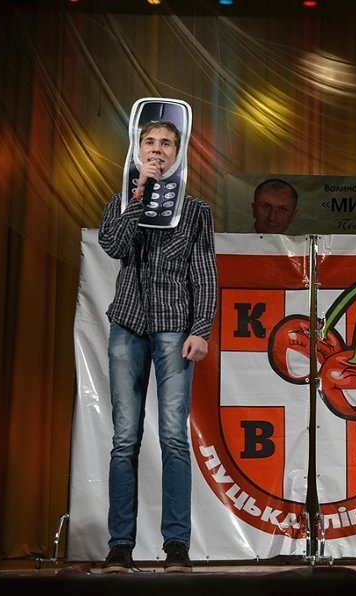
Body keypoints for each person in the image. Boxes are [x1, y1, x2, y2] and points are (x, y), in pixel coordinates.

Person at [98, 120, 218, 573]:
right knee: (124, 439)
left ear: (178, 152)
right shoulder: (120, 201)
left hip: (174, 327)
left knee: (173, 437)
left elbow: (204, 274)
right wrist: (138, 193)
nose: (158, 150)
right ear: (138, 148)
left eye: (166, 143)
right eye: (150, 142)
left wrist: (201, 329)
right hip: (128, 324)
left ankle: (177, 546)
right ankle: (120, 545)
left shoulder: (196, 210)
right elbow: (113, 244)